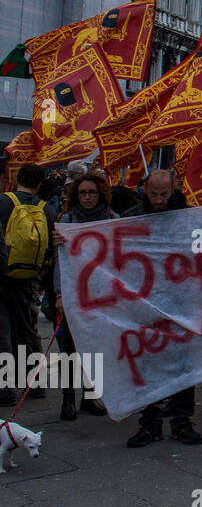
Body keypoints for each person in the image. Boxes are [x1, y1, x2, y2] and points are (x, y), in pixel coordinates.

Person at [119, 170, 202, 446]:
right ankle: (150, 422)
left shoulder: (189, 216)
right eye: (153, 194)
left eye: (163, 194)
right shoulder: (132, 215)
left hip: (180, 300)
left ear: (173, 189)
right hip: (145, 302)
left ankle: (181, 420)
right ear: (145, 190)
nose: (157, 199)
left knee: (182, 364)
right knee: (147, 364)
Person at [50, 172, 115, 420]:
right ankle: (68, 399)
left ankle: (90, 397)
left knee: (95, 350)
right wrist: (58, 294)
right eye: (83, 193)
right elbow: (60, 262)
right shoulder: (67, 219)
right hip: (74, 295)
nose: (87, 198)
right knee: (69, 349)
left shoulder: (111, 219)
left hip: (100, 297)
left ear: (100, 194)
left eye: (92, 193)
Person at [0, 164, 56, 407]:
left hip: (1, 275)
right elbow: (52, 248)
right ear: (39, 184)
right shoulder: (47, 210)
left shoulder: (2, 202)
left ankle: (4, 389)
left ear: (16, 179)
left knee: (2, 331)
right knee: (28, 329)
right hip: (30, 279)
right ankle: (35, 384)